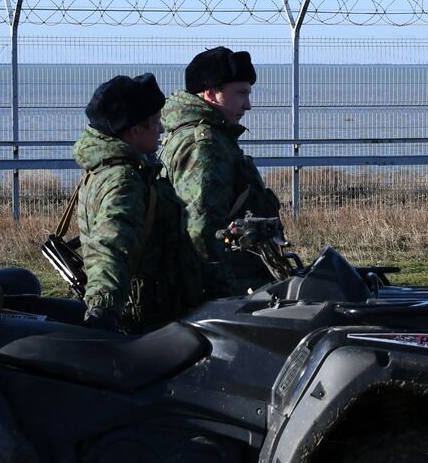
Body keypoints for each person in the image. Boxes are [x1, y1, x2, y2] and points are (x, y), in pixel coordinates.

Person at [75, 73, 203, 333]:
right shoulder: (124, 180)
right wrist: (104, 308)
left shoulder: (104, 168)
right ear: (134, 131)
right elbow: (112, 243)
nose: (161, 130)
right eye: (155, 123)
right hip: (148, 322)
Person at [161, 47, 281, 297]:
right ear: (210, 94)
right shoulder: (205, 147)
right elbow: (202, 230)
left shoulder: (214, 138)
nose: (247, 104)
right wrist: (225, 296)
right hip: (229, 291)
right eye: (240, 93)